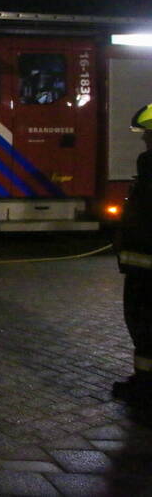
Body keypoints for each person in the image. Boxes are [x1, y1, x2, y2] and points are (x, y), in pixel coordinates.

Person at [112, 103, 152, 403]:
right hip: (142, 266)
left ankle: (145, 388)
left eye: (149, 134)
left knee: (144, 327)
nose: (144, 138)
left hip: (145, 272)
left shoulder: (149, 166)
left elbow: (141, 220)